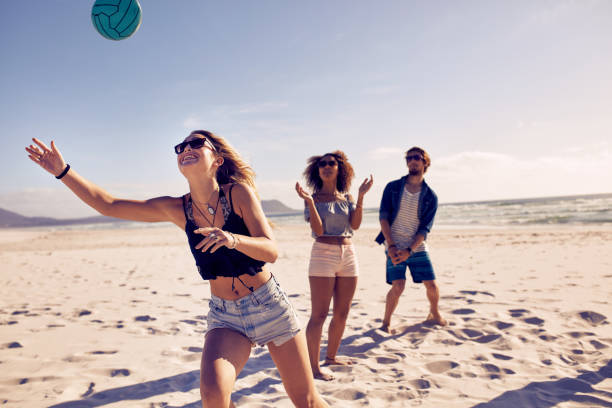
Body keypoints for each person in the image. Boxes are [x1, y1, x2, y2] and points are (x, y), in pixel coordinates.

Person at [25, 131, 329, 408]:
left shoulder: (237, 194)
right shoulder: (176, 208)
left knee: (306, 400)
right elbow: (109, 204)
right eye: (180, 147)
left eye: (196, 143)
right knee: (213, 396)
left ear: (217, 159)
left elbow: (271, 249)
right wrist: (63, 172)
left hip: (268, 305)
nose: (186, 148)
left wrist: (232, 239)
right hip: (226, 316)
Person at [295, 151, 373, 381]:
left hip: (348, 253)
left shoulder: (347, 197)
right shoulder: (313, 198)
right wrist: (309, 201)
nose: (326, 167)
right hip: (322, 254)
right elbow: (318, 231)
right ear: (317, 171)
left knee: (342, 312)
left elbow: (356, 225)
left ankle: (331, 357)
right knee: (319, 314)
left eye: (331, 163)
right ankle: (314, 367)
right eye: (322, 164)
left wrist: (360, 197)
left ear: (339, 168)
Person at [375, 146, 447, 333]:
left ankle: (434, 313)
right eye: (408, 158)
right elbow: (383, 217)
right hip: (393, 244)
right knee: (398, 286)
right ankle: (386, 322)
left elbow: (425, 229)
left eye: (416, 157)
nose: (412, 161)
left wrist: (410, 251)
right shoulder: (392, 188)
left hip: (417, 247)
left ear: (425, 162)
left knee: (431, 284)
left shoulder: (431, 196)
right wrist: (391, 245)